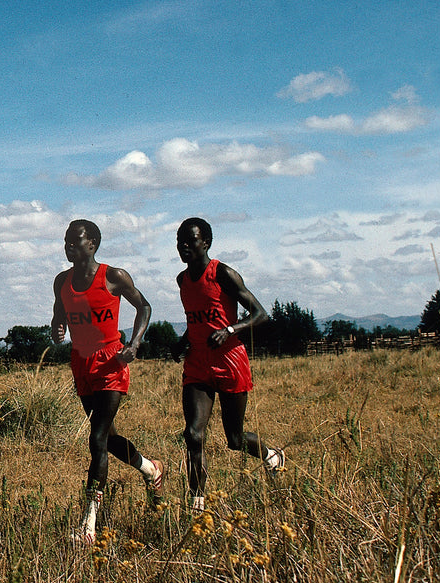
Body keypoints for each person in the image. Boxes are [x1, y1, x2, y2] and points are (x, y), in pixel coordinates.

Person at [50, 219, 164, 545]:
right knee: (109, 438)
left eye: (75, 240)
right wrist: (57, 330)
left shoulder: (113, 277)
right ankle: (151, 470)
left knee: (97, 438)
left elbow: (144, 306)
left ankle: (89, 526)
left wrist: (135, 344)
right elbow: (59, 316)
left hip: (111, 363)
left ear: (93, 243)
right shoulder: (62, 281)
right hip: (81, 364)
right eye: (66, 240)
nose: (69, 245)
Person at [176, 217, 286, 514]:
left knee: (234, 440)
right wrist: (183, 339)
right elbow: (197, 320)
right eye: (179, 241)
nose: (183, 246)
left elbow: (261, 314)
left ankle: (270, 454)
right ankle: (197, 504)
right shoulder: (182, 280)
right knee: (193, 434)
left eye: (191, 240)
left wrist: (231, 330)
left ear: (206, 243)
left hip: (230, 361)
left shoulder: (223, 273)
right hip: (198, 363)